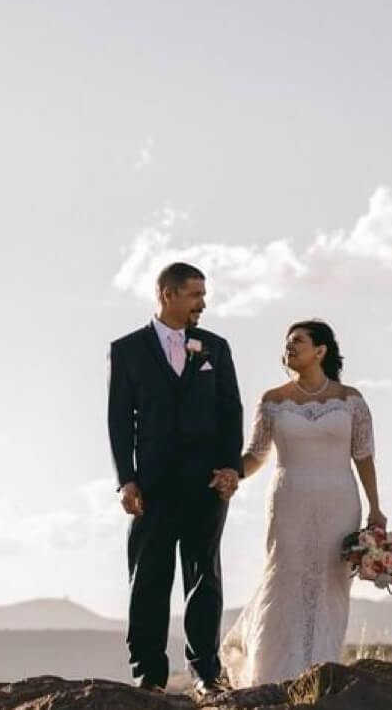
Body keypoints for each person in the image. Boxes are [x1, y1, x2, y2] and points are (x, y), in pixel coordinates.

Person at [220, 319, 387, 687]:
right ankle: (273, 675)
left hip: (339, 502)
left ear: (321, 351)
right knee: (285, 575)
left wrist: (375, 508)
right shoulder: (273, 400)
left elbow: (363, 455)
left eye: (298, 341)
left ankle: (320, 670)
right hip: (289, 499)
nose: (289, 347)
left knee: (330, 581)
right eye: (287, 342)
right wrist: (234, 474)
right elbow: (254, 455)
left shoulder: (351, 400)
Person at [107, 262, 243, 700]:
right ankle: (148, 673)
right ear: (168, 294)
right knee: (149, 577)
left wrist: (230, 469)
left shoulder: (216, 349)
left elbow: (230, 412)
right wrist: (126, 480)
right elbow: (118, 421)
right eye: (195, 294)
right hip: (153, 485)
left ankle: (206, 670)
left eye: (203, 295)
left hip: (205, 484)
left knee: (205, 578)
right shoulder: (127, 350)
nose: (203, 303)